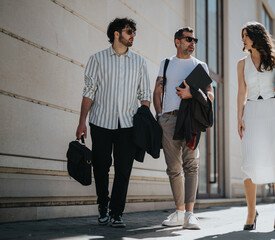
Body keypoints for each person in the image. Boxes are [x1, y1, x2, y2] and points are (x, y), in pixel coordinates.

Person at [75, 18, 151, 227]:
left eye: (134, 32)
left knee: (124, 169)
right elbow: (89, 92)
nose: (132, 35)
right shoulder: (97, 59)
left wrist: (144, 119)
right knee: (100, 166)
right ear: (116, 34)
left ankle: (116, 212)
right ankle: (103, 205)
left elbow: (145, 94)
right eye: (129, 32)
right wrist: (82, 121)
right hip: (100, 122)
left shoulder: (139, 62)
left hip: (128, 124)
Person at [153, 27, 214, 230]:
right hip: (169, 120)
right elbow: (157, 90)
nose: (192, 43)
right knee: (173, 169)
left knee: (191, 166)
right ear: (177, 41)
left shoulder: (200, 65)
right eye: (188, 39)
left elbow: (210, 95)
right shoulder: (166, 63)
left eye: (194, 39)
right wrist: (160, 114)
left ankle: (190, 214)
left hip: (192, 121)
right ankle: (179, 212)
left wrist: (192, 93)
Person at [237, 22, 275, 231]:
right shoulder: (242, 63)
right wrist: (238, 118)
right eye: (242, 36)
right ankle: (251, 211)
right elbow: (241, 92)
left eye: (245, 35)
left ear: (256, 36)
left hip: (272, 112)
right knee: (249, 160)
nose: (243, 39)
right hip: (251, 112)